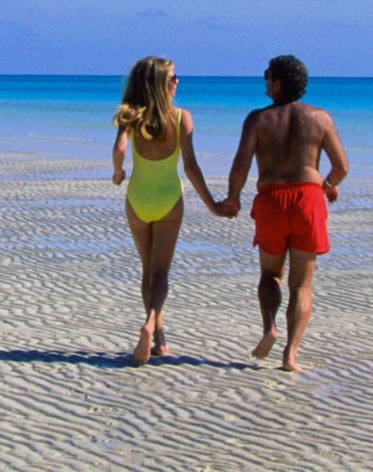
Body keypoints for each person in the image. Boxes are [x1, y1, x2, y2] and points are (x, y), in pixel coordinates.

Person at [217, 54, 348, 372]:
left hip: (271, 201)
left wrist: (233, 198)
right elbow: (341, 167)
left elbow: (241, 166)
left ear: (277, 83)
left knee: (269, 275)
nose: (263, 79)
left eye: (266, 75)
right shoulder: (320, 118)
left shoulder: (258, 120)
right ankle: (291, 354)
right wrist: (328, 184)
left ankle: (269, 328)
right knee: (301, 285)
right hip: (308, 200)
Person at [110, 56, 223, 365]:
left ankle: (158, 337)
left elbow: (120, 149)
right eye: (172, 78)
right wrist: (212, 204)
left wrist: (118, 174)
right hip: (170, 200)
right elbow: (191, 168)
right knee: (161, 273)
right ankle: (151, 325)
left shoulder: (129, 117)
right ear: (159, 82)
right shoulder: (181, 118)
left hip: (138, 199)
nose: (177, 82)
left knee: (148, 271)